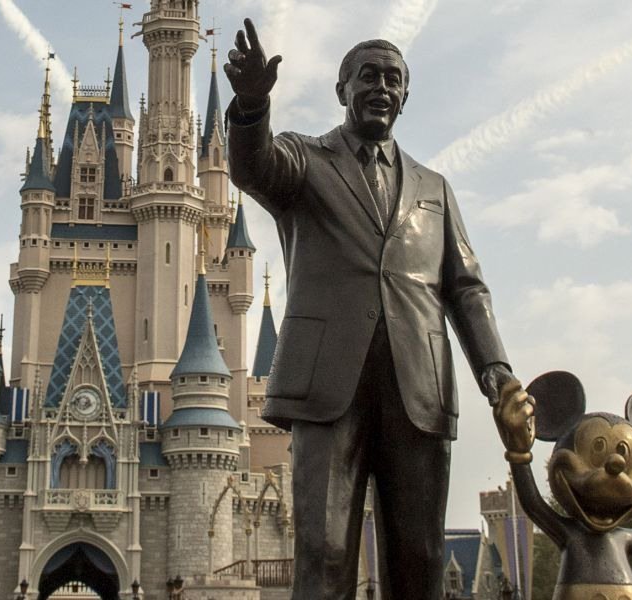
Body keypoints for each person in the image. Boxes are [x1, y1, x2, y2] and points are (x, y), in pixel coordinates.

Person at [224, 18, 521, 600]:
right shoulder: (305, 161)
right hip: (330, 384)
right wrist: (253, 105)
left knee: (420, 551)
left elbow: (466, 288)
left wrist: (496, 370)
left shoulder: (433, 188)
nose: (381, 87)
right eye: (368, 76)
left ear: (405, 96)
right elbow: (251, 168)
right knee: (326, 548)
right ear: (342, 90)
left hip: (420, 386)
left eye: (393, 79)